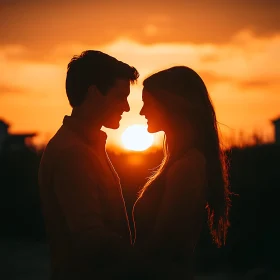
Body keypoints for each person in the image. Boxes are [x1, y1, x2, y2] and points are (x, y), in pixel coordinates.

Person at [38, 50, 139, 279]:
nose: (127, 107)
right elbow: (91, 240)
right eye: (120, 97)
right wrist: (149, 256)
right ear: (94, 93)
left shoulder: (84, 145)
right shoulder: (73, 153)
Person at [132, 66, 231, 279]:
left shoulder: (188, 166)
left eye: (147, 103)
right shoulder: (178, 162)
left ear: (170, 106)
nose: (141, 112)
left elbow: (164, 245)